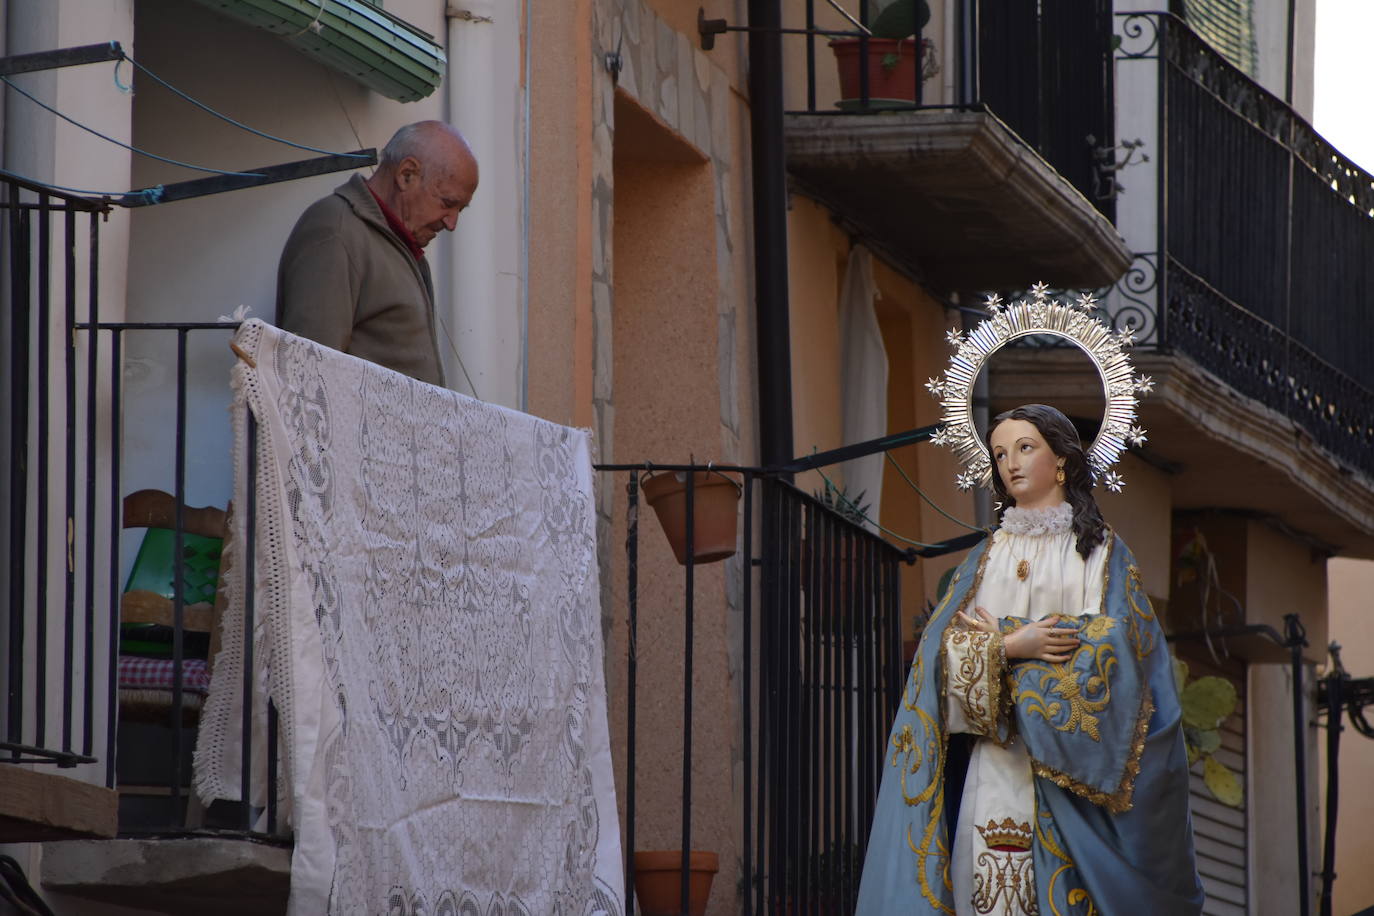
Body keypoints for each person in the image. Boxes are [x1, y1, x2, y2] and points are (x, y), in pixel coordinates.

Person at [856, 404, 1203, 915]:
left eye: (1025, 447)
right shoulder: (986, 557)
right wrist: (1012, 647)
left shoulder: (1099, 553)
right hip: (993, 765)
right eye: (999, 453)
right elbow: (941, 656)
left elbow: (1116, 652)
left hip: (1066, 784)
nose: (1010, 463)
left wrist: (1010, 639)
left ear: (1061, 459)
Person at [275, 121, 479, 386]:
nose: (452, 223)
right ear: (407, 174)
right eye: (448, 203)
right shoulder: (336, 230)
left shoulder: (398, 241)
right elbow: (308, 378)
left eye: (460, 210)